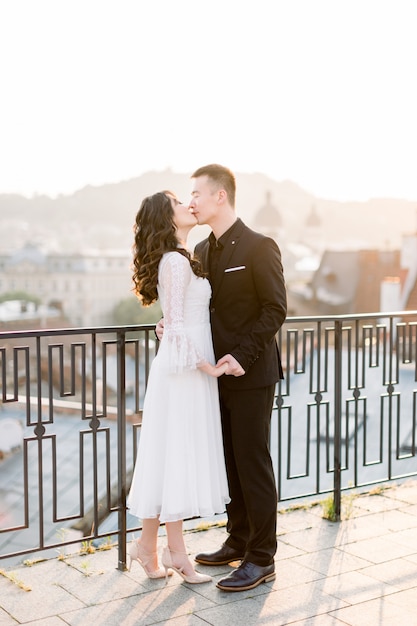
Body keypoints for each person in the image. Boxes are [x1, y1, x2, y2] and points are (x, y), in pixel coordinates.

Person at [189, 164, 287, 591]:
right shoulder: (202, 250)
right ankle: (238, 539)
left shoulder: (261, 246)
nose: (190, 201)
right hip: (216, 375)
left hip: (251, 373)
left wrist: (239, 357)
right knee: (230, 461)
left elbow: (275, 309)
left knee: (253, 463)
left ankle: (262, 558)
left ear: (220, 197)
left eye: (196, 193)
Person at [126, 190, 230, 585]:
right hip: (185, 370)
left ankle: (149, 547)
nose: (188, 203)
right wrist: (208, 367)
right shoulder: (174, 260)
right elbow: (177, 321)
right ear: (167, 218)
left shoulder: (180, 257)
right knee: (176, 454)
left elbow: (173, 321)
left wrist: (169, 330)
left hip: (183, 365)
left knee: (169, 457)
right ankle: (175, 553)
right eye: (177, 201)